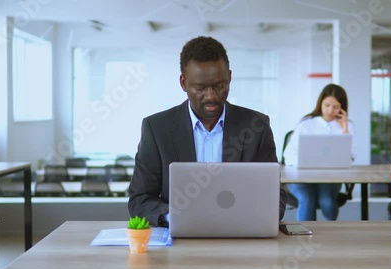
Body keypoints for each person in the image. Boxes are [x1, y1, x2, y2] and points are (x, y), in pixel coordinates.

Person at [128, 36, 287, 226]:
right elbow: (140, 200)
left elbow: (275, 196)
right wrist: (176, 218)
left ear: (229, 77)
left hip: (240, 233)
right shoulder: (157, 128)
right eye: (200, 88)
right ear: (183, 83)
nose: (211, 96)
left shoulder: (256, 125)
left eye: (219, 86)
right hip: (179, 241)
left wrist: (249, 215)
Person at [283, 84, 355, 221]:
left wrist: (345, 129)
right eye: (327, 105)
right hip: (301, 177)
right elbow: (288, 154)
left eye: (335, 107)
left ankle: (331, 236)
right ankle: (303, 238)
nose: (330, 110)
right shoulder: (306, 123)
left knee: (326, 202)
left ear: (342, 108)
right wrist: (304, 163)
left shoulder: (348, 125)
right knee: (307, 198)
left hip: (329, 177)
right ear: (320, 103)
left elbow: (350, 157)